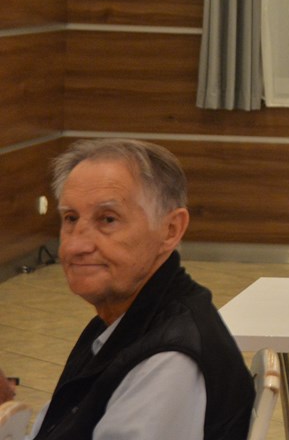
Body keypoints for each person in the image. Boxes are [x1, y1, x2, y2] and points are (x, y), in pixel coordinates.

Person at [29, 139, 253, 440]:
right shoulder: (120, 321)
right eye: (71, 218)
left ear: (170, 230)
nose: (75, 245)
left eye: (108, 219)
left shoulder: (169, 360)